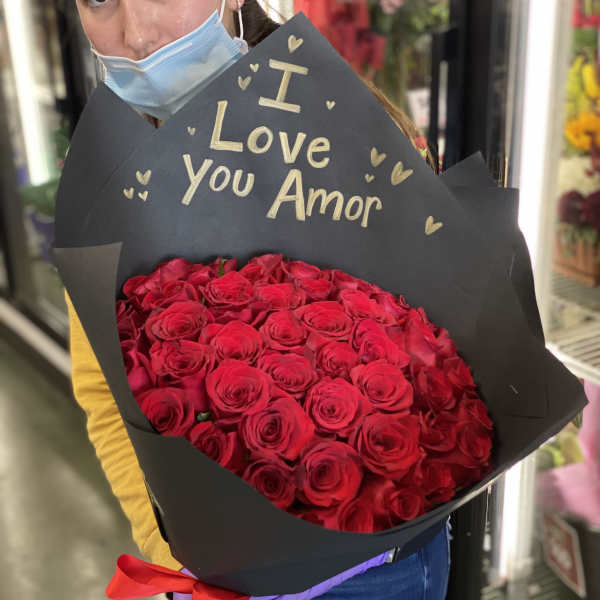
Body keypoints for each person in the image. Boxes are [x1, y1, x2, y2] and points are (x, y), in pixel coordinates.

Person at [68, 1, 450, 599]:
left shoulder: (361, 132)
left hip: (379, 570)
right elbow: (102, 390)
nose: (137, 34)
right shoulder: (103, 186)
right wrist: (177, 550)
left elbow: (439, 342)